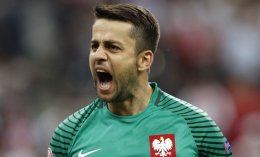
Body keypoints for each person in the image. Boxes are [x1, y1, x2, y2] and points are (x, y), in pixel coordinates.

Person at [48, 3, 233, 157]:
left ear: (144, 60)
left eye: (112, 47)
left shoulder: (197, 126)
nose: (98, 55)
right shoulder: (68, 133)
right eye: (94, 46)